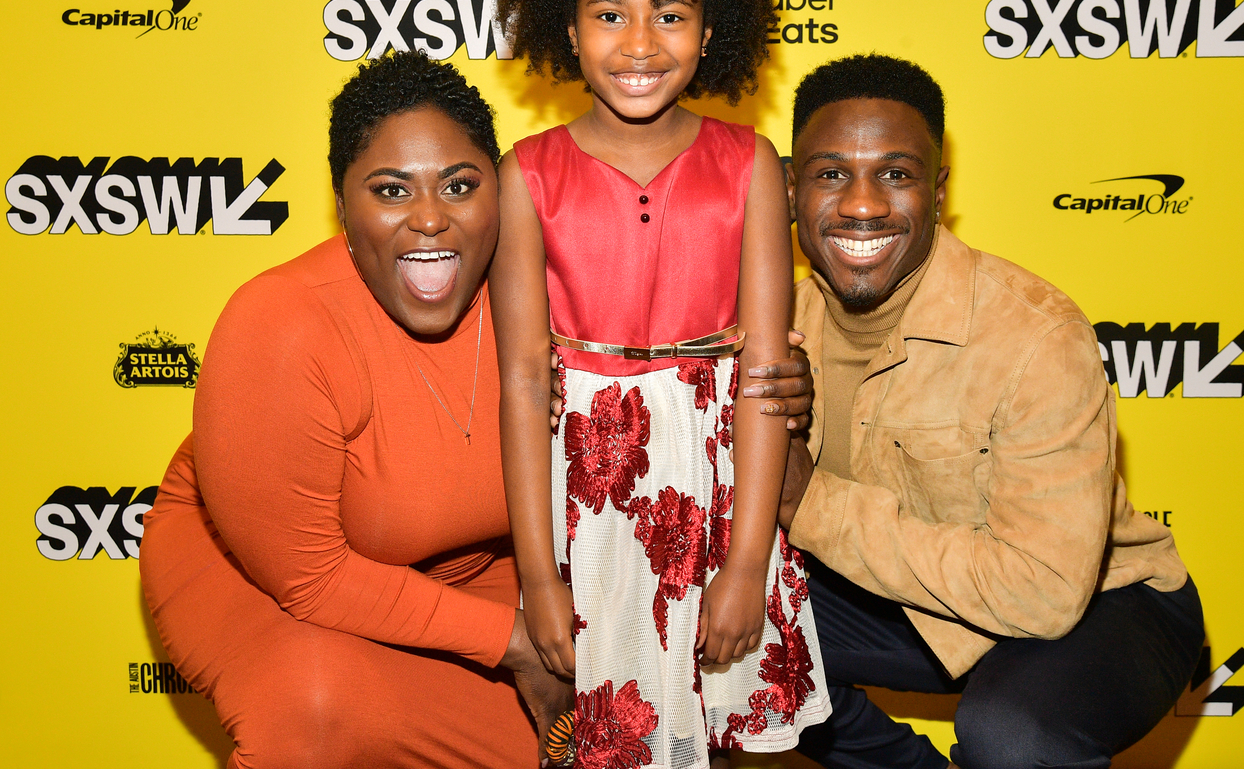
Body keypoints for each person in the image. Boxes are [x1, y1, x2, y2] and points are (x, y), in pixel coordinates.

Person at [138, 50, 815, 769]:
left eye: (460, 186)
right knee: (315, 710)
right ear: (342, 204)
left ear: (502, 193)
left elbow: (686, 354)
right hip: (272, 581)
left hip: (480, 570)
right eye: (391, 191)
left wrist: (780, 381)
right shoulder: (279, 324)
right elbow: (310, 577)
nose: (430, 219)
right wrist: (512, 641)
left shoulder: (543, 286)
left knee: (605, 735)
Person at [491, 0, 831, 769]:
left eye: (670, 14)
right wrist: (537, 576)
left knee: (716, 738)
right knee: (599, 741)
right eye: (610, 15)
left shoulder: (753, 164)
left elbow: (764, 373)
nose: (640, 42)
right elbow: (524, 384)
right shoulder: (525, 175)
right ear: (568, 26)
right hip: (585, 504)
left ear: (711, 29)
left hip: (718, 489)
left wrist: (749, 561)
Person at [776, 54, 1205, 769]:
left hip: (1101, 607)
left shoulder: (1037, 336)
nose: (861, 204)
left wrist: (807, 502)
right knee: (697, 633)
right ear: (791, 190)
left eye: (896, 174)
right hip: (910, 602)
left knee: (1012, 737)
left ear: (938, 191)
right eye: (829, 174)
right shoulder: (769, 325)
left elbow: (1043, 593)